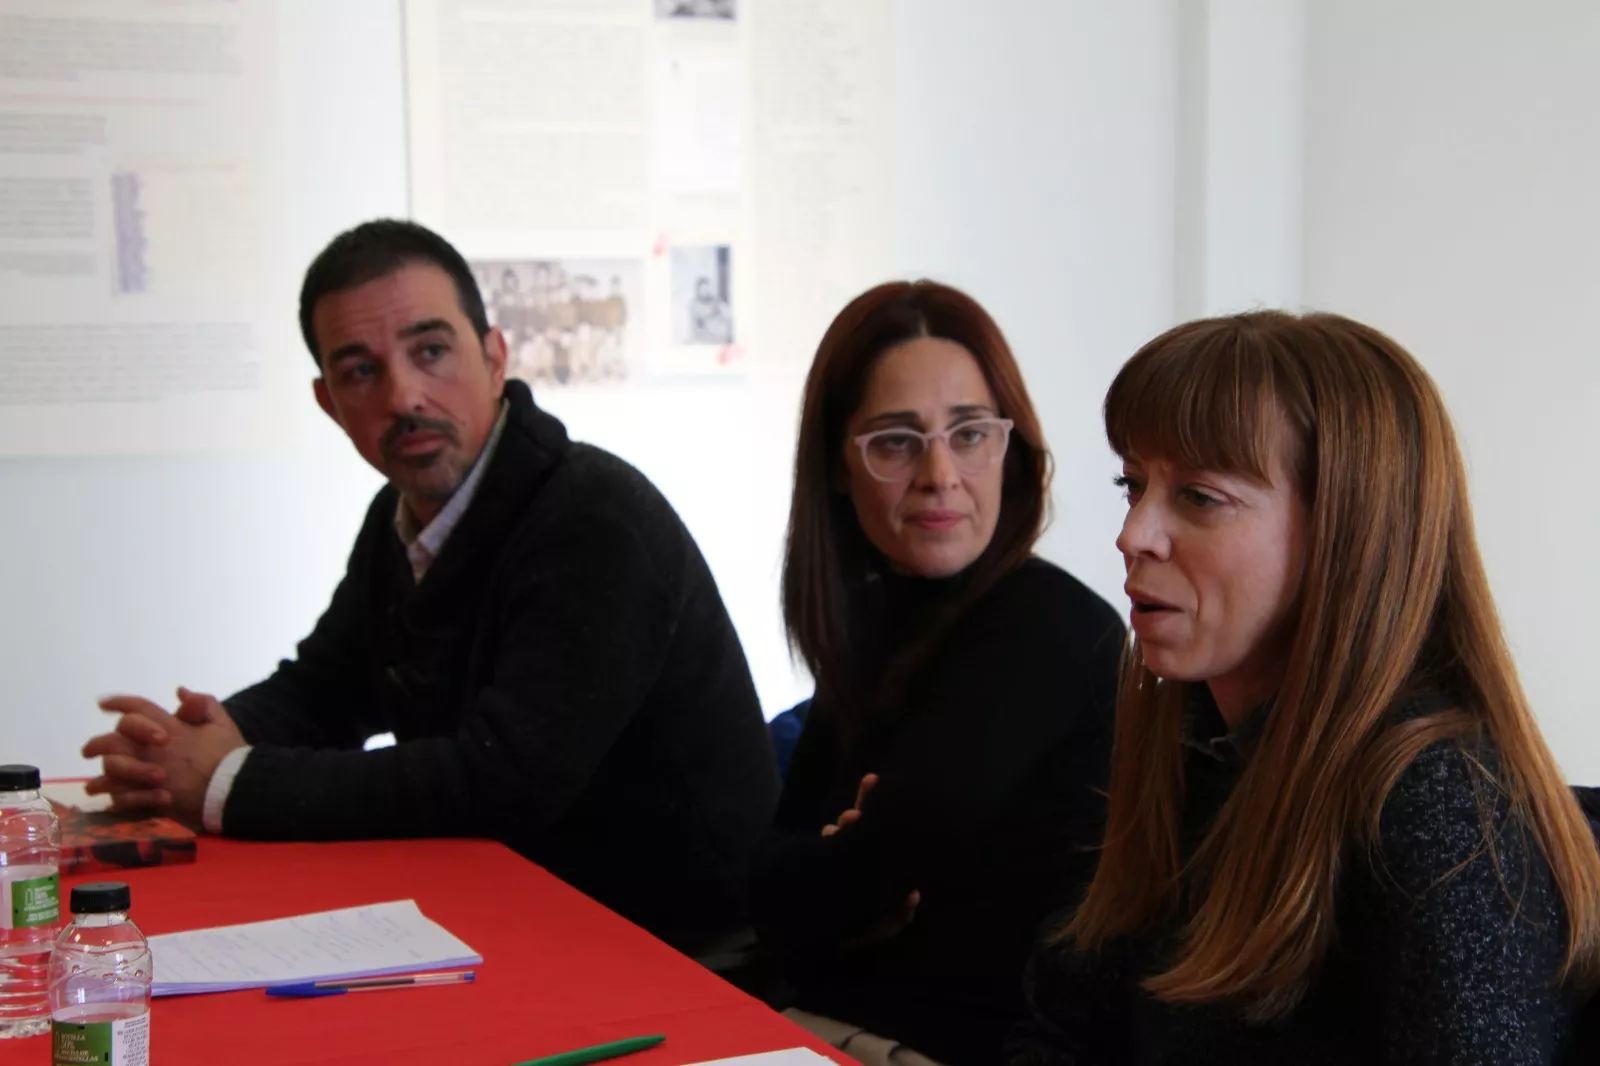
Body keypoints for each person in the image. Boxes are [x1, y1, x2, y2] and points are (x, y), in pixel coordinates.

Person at [79, 219, 780, 952]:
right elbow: (326, 690)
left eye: (431, 351)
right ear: (328, 403)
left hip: (688, 952)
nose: (404, 394)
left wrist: (228, 783)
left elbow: (501, 782)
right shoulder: (404, 515)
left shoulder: (594, 520)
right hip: (516, 918)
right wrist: (175, 749)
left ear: (495, 355)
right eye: (361, 370)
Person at [1011, 311, 1600, 1065]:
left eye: (1199, 496)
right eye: (1134, 484)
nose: (1133, 535)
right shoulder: (1189, 736)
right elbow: (1069, 1024)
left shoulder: (1435, 801)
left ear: (1345, 534)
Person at [751, 280, 1124, 1066]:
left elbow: (848, 878)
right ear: (838, 467)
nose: (939, 474)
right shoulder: (879, 619)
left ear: (1010, 452)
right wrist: (837, 875)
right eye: (895, 440)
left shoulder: (1048, 625)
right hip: (824, 1028)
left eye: (969, 434)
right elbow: (766, 885)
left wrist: (840, 875)